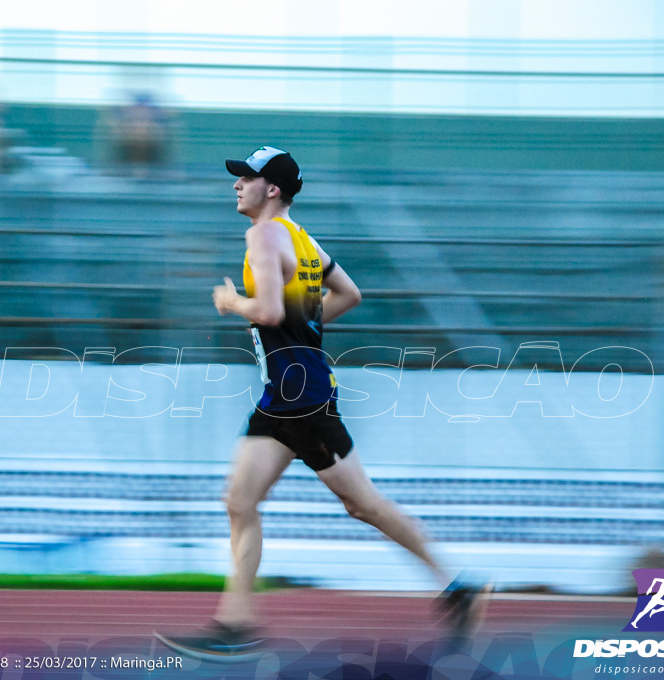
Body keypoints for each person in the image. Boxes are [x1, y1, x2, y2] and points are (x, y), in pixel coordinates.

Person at [156, 146, 489, 661]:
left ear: (272, 189)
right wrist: (305, 329)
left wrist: (231, 304)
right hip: (284, 396)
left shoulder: (264, 234)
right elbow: (349, 292)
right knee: (239, 501)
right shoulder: (302, 239)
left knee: (362, 504)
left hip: (302, 400)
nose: (236, 185)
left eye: (246, 178)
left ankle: (459, 586)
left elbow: (266, 310)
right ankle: (235, 623)